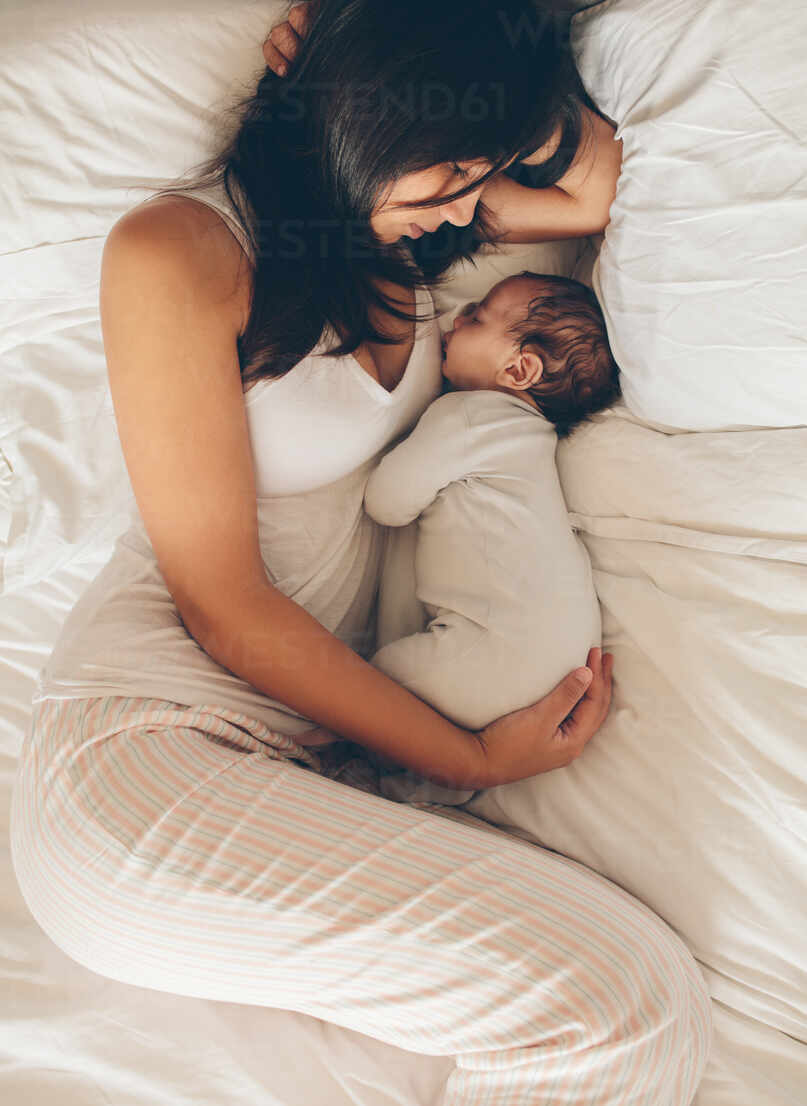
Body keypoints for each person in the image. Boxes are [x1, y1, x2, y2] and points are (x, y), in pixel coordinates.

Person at [10, 2, 712, 1103]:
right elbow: (225, 606)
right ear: (375, 116)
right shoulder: (182, 250)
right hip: (146, 751)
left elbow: (591, 190)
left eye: (484, 174)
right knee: (621, 1005)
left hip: (292, 758)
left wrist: (501, 91)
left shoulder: (413, 234)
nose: (479, 205)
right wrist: (464, 758)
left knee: (624, 1005)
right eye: (459, 173)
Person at [353, 271, 620, 806]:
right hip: (552, 664)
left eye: (476, 315)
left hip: (503, 659)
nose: (456, 319)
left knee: (367, 688)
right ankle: (425, 789)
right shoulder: (529, 439)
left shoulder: (470, 415)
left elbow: (386, 502)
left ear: (519, 368)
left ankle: (383, 777)